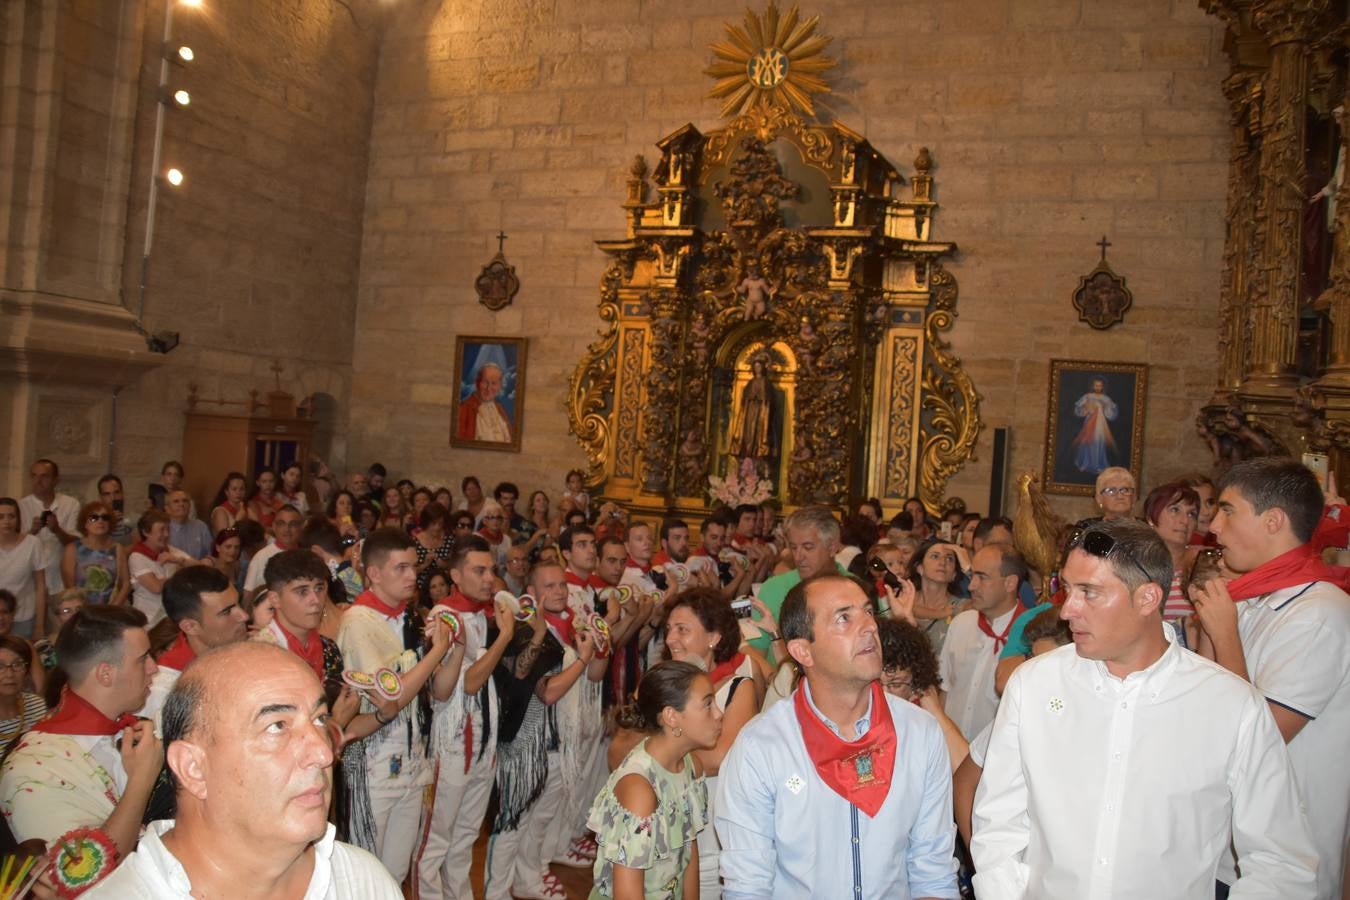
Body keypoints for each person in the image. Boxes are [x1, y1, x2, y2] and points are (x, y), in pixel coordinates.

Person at [971, 519, 1318, 899]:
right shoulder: (1035, 685)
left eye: (1090, 592)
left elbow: (1280, 860)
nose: (1068, 610)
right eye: (1067, 589)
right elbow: (998, 823)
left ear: (1148, 599)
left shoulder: (1230, 706)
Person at [85, 642, 404, 899]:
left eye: (319, 719)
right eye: (277, 726)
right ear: (194, 768)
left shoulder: (363, 882)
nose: (323, 753)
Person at [716, 574, 958, 898]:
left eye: (869, 612)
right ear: (803, 651)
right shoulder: (762, 747)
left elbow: (933, 872)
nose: (870, 626)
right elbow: (748, 886)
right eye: (844, 618)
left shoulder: (920, 733)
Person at [1195, 457, 1350, 898]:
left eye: (1228, 510)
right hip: (1226, 847)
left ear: (1273, 521)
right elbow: (1210, 705)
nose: (1214, 528)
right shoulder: (1252, 601)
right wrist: (1213, 623)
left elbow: (1260, 736)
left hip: (1284, 862)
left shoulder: (1320, 613)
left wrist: (1224, 631)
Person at [0, 605, 161, 856]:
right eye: (143, 659)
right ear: (105, 673)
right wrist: (142, 780)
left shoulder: (132, 728)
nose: (154, 667)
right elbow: (78, 877)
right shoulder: (34, 767)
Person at [483, 560, 599, 900]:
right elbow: (547, 692)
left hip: (556, 743)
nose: (560, 591)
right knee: (513, 823)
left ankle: (528, 879)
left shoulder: (566, 627)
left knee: (540, 820)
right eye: (549, 586)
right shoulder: (524, 630)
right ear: (530, 593)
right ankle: (497, 892)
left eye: (562, 585)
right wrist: (581, 660)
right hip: (524, 746)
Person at [336, 527, 439, 882]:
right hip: (373, 755)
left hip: (412, 751)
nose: (413, 576)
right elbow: (391, 693)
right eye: (401, 568)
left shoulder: (408, 616)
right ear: (374, 573)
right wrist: (436, 651)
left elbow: (432, 689)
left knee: (395, 868)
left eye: (414, 567)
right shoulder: (358, 621)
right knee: (366, 866)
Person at [644, 588, 761, 899]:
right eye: (669, 629)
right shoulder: (660, 681)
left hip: (710, 831)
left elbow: (720, 757)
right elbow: (621, 744)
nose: (670, 639)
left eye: (682, 629)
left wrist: (660, 754)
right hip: (662, 821)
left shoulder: (738, 687)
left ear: (714, 637)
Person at [415, 536, 513, 900]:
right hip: (452, 743)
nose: (490, 578)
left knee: (466, 837)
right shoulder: (443, 616)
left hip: (483, 740)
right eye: (480, 570)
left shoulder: (482, 614)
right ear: (455, 574)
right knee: (435, 840)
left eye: (492, 570)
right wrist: (504, 637)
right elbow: (470, 682)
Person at [589, 661, 720, 900]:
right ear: (671, 717)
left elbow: (688, 854)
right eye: (708, 705)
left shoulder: (691, 766)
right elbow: (627, 895)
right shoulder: (640, 791)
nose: (719, 714)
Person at [939, 544, 1026, 741]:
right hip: (950, 750)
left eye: (982, 577)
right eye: (972, 577)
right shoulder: (962, 624)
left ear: (1010, 583)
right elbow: (944, 691)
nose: (971, 586)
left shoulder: (1030, 636)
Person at [138, 566, 248, 721]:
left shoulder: (247, 654)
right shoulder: (164, 690)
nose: (244, 616)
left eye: (239, 603)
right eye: (226, 612)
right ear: (190, 627)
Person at [745, 506, 849, 662]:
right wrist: (780, 682)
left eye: (808, 547)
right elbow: (755, 656)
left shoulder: (854, 588)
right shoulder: (773, 588)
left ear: (832, 547)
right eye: (793, 547)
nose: (799, 556)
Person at [1142, 480, 1200, 623]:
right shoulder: (1134, 565)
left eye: (1192, 514)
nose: (1185, 521)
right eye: (1175, 510)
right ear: (1151, 518)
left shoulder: (1203, 566)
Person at [18, 458, 78, 594]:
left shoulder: (70, 504)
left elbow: (77, 544)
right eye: (34, 475)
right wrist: (32, 532)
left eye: (44, 476)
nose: (38, 481)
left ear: (56, 480)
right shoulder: (21, 506)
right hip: (29, 583)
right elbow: (13, 547)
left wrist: (57, 530)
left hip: (60, 582)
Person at [129, 509, 195, 626]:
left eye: (168, 529)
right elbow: (156, 588)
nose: (166, 534)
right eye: (161, 530)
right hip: (148, 619)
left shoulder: (170, 551)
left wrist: (178, 560)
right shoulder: (137, 557)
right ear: (146, 532)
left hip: (170, 617)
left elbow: (200, 566)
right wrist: (178, 570)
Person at [63, 500, 129, 607]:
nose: (100, 521)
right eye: (94, 518)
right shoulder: (72, 549)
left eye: (105, 517)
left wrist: (112, 609)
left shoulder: (118, 549)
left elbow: (125, 584)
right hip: (82, 611)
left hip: (112, 611)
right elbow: (69, 585)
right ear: (84, 523)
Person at [908, 538, 965, 652]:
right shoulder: (903, 601)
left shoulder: (962, 607)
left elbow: (992, 599)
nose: (943, 562)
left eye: (949, 558)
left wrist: (968, 567)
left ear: (954, 573)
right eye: (935, 556)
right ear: (920, 568)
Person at [243, 505, 302, 605]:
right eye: (281, 524)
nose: (287, 529)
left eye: (293, 524)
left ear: (301, 527)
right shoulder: (260, 557)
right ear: (274, 527)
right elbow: (247, 597)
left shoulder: (308, 557)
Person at [0, 635, 46, 755]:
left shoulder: (39, 706)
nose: (9, 674)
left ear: (27, 670)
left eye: (17, 664)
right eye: (0, 667)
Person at [1071, 377, 1118, 474]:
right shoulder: (1088, 396)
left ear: (1102, 387)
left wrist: (1105, 408)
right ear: (1093, 386)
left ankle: (1097, 465)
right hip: (1089, 422)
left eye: (1100, 386)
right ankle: (1085, 463)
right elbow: (1078, 410)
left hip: (1101, 424)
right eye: (1096, 385)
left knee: (1099, 442)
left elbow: (1111, 414)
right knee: (1087, 442)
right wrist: (1085, 410)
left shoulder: (1106, 399)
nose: (1098, 387)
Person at [457, 362, 513, 442]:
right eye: (485, 382)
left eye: (494, 383)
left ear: (499, 386)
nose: (489, 388)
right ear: (477, 383)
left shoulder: (500, 409)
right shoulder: (465, 408)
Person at [413, 502, 454, 595]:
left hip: (446, 589)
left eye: (440, 523)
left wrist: (444, 565)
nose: (437, 527)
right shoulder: (414, 542)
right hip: (421, 590)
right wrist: (424, 564)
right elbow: (409, 571)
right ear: (425, 522)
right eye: (433, 524)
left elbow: (455, 566)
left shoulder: (449, 539)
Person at [166, 489, 213, 561]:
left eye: (185, 501)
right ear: (167, 509)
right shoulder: (163, 529)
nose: (181, 504)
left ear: (190, 505)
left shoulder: (200, 526)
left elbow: (211, 554)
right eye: (176, 501)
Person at [96, 474, 135, 545]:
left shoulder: (135, 519)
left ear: (122, 494)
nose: (113, 498)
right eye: (107, 494)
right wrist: (108, 521)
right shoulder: (94, 520)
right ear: (100, 498)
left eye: (116, 492)